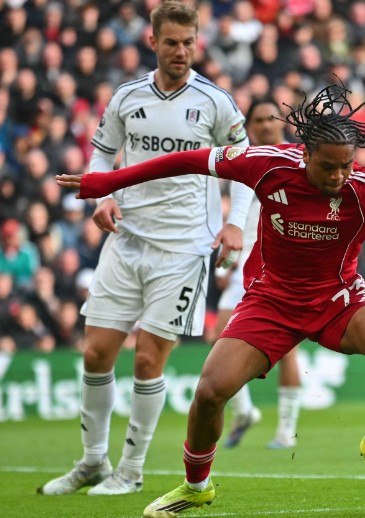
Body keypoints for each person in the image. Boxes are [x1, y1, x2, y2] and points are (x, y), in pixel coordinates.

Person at [56, 81, 365, 516]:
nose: (339, 176)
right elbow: (186, 160)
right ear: (305, 152)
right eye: (328, 167)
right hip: (271, 302)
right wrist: (109, 181)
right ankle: (196, 485)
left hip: (340, 298)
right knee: (209, 392)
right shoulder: (266, 165)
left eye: (346, 166)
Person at [39, 1, 254, 497]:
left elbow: (244, 169)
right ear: (152, 42)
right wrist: (102, 192)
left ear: (198, 42)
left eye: (188, 42)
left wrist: (235, 225)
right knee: (95, 352)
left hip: (183, 248)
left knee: (146, 360)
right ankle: (93, 461)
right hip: (126, 239)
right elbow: (101, 152)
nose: (181, 51)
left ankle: (131, 471)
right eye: (171, 42)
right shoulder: (126, 97)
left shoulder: (217, 103)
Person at [214, 98, 303, 450]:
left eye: (271, 119)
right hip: (245, 265)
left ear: (282, 122)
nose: (266, 125)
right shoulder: (242, 166)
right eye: (259, 121)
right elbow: (238, 223)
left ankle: (286, 429)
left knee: (287, 350)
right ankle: (245, 410)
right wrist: (225, 264)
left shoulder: (297, 161)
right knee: (219, 334)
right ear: (249, 127)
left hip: (281, 267)